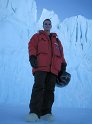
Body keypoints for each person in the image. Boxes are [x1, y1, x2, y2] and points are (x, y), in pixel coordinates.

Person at [27, 19, 67, 122]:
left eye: (49, 24)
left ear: (51, 25)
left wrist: (63, 66)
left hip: (53, 69)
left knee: (50, 90)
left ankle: (46, 112)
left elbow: (61, 55)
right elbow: (31, 46)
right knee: (38, 88)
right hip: (40, 67)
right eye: (46, 23)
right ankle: (34, 112)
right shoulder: (37, 37)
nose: (47, 25)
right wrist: (32, 57)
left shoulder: (57, 41)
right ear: (43, 25)